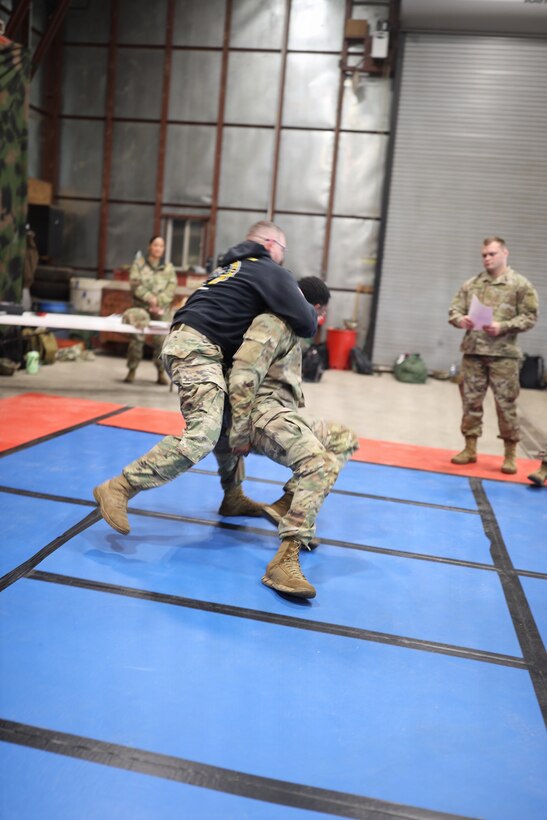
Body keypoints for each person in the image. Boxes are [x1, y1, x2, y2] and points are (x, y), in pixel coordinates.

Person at [93, 221, 318, 534]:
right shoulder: (268, 269)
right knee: (205, 432)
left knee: (226, 422)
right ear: (270, 245)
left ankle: (233, 496)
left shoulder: (229, 270)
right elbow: (307, 322)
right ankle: (120, 487)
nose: (283, 256)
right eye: (283, 249)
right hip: (198, 349)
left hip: (190, 343)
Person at [228, 276, 359, 599]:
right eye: (320, 311)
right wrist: (241, 431)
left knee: (343, 438)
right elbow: (243, 378)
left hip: (282, 411)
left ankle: (288, 503)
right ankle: (284, 560)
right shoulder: (272, 323)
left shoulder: (289, 327)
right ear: (309, 305)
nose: (321, 320)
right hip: (261, 414)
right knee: (319, 464)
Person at [448, 236, 539, 474]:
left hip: (504, 355)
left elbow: (530, 317)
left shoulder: (520, 285)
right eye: (484, 255)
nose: (487, 258)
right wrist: (461, 320)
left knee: (505, 404)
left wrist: (504, 326)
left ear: (505, 253)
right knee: (471, 402)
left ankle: (510, 455)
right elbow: (454, 310)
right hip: (473, 352)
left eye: (492, 254)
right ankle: (469, 449)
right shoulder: (472, 284)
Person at [125, 235, 177, 385]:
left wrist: (159, 301)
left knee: (162, 341)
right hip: (141, 307)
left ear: (164, 249)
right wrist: (149, 298)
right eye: (155, 245)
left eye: (161, 246)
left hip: (161, 309)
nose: (158, 248)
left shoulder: (168, 268)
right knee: (137, 339)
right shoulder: (139, 265)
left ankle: (160, 372)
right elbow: (135, 284)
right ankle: (132, 369)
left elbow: (171, 288)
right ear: (149, 247)